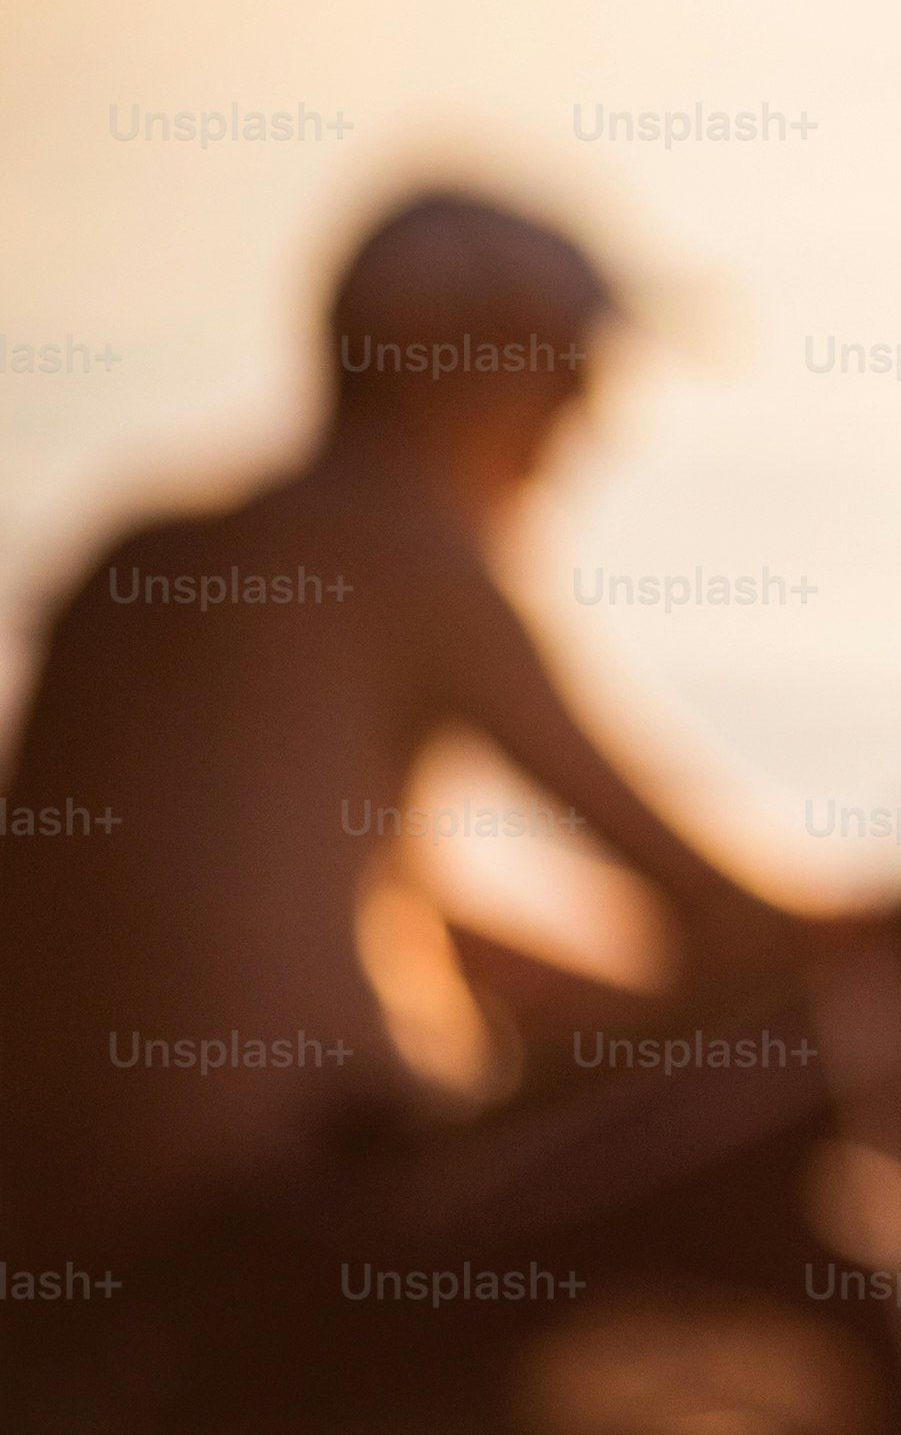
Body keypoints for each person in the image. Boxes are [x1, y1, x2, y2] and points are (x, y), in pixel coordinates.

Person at [0, 189, 838, 1260]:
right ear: (462, 371)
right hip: (282, 1233)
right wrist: (846, 933)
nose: (575, 433)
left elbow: (283, 900)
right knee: (874, 1006)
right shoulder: (402, 547)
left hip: (87, 1233)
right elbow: (698, 894)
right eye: (567, 375)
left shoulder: (146, 556)